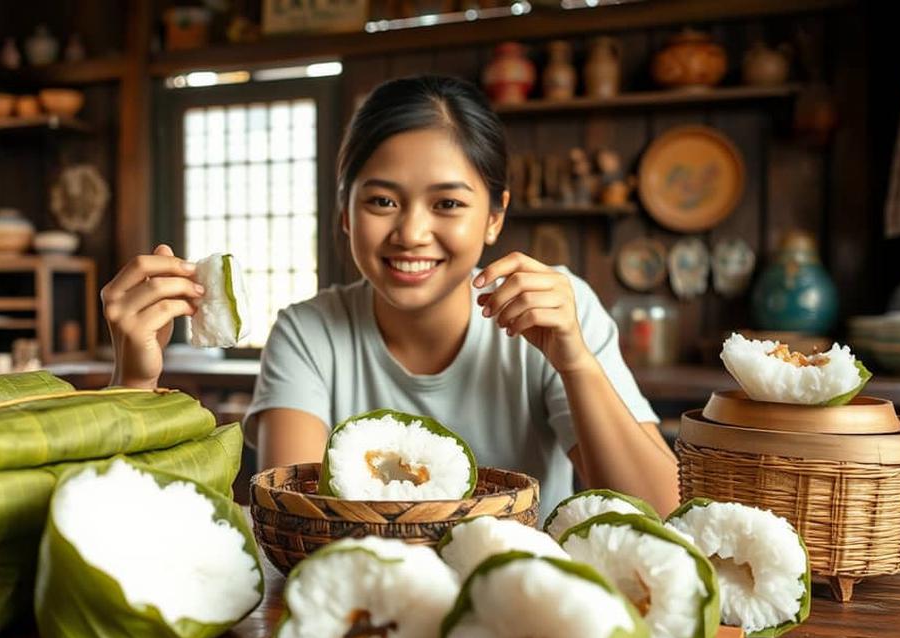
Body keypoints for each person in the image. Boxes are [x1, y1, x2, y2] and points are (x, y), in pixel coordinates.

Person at [100, 75, 678, 517]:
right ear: (345, 214)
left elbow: (664, 514)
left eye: (448, 204)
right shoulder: (309, 332)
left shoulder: (560, 309)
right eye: (382, 201)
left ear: (495, 217)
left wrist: (575, 361)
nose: (411, 233)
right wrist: (134, 381)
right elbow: (296, 522)